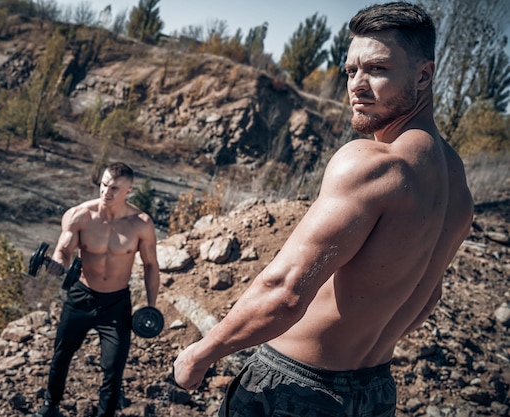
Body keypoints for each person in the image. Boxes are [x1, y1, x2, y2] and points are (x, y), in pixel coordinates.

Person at [173, 2, 474, 416]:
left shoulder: (372, 163)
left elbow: (286, 292)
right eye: (351, 71)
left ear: (424, 75)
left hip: (296, 388)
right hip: (376, 393)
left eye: (377, 69)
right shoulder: (456, 182)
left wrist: (200, 355)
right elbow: (427, 298)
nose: (357, 85)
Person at [34, 162, 160, 417]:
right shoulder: (80, 215)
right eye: (103, 184)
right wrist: (59, 264)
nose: (106, 192)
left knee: (113, 367)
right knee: (61, 354)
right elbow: (63, 250)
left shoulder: (140, 224)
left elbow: (150, 265)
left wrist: (151, 306)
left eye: (114, 188)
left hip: (116, 303)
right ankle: (50, 406)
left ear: (129, 191)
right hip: (81, 295)